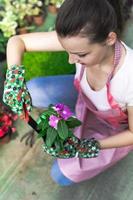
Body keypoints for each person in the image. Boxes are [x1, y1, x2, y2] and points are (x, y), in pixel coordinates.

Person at [3, 0, 133, 186]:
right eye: (68, 51)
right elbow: (18, 41)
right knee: (33, 90)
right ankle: (76, 121)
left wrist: (91, 146)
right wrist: (14, 77)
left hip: (114, 128)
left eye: (80, 55)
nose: (72, 61)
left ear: (110, 39)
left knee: (61, 175)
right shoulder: (78, 40)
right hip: (85, 99)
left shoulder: (129, 79)